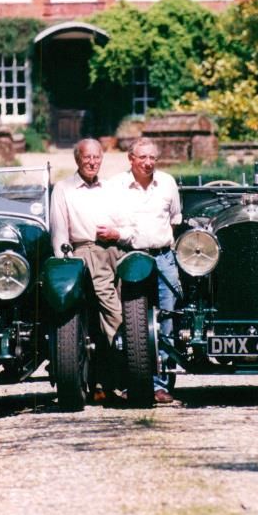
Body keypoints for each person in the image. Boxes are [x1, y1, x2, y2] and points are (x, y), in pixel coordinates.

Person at [107, 137, 182, 405]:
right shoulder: (116, 186)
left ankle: (161, 384)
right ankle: (132, 382)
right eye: (143, 157)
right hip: (132, 257)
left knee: (168, 318)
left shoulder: (168, 183)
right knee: (130, 321)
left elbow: (175, 219)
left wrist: (160, 244)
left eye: (153, 158)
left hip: (163, 257)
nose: (148, 163)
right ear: (131, 159)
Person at [49, 137, 124, 403]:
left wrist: (119, 235)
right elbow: (59, 233)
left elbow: (125, 220)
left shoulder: (112, 187)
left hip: (113, 250)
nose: (92, 162)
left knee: (120, 310)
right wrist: (67, 267)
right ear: (77, 159)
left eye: (96, 157)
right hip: (82, 253)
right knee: (107, 314)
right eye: (86, 157)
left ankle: (111, 380)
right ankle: (119, 371)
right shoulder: (64, 188)